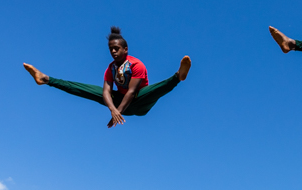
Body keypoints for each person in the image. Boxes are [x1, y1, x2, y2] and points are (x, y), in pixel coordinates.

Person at [23, 26, 191, 128]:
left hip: (140, 102)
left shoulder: (136, 65)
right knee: (92, 90)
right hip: (120, 103)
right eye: (110, 49)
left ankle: (178, 77)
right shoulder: (110, 69)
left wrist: (118, 111)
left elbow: (132, 92)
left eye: (117, 48)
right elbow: (105, 93)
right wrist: (113, 110)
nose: (113, 51)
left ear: (126, 49)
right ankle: (46, 79)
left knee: (151, 90)